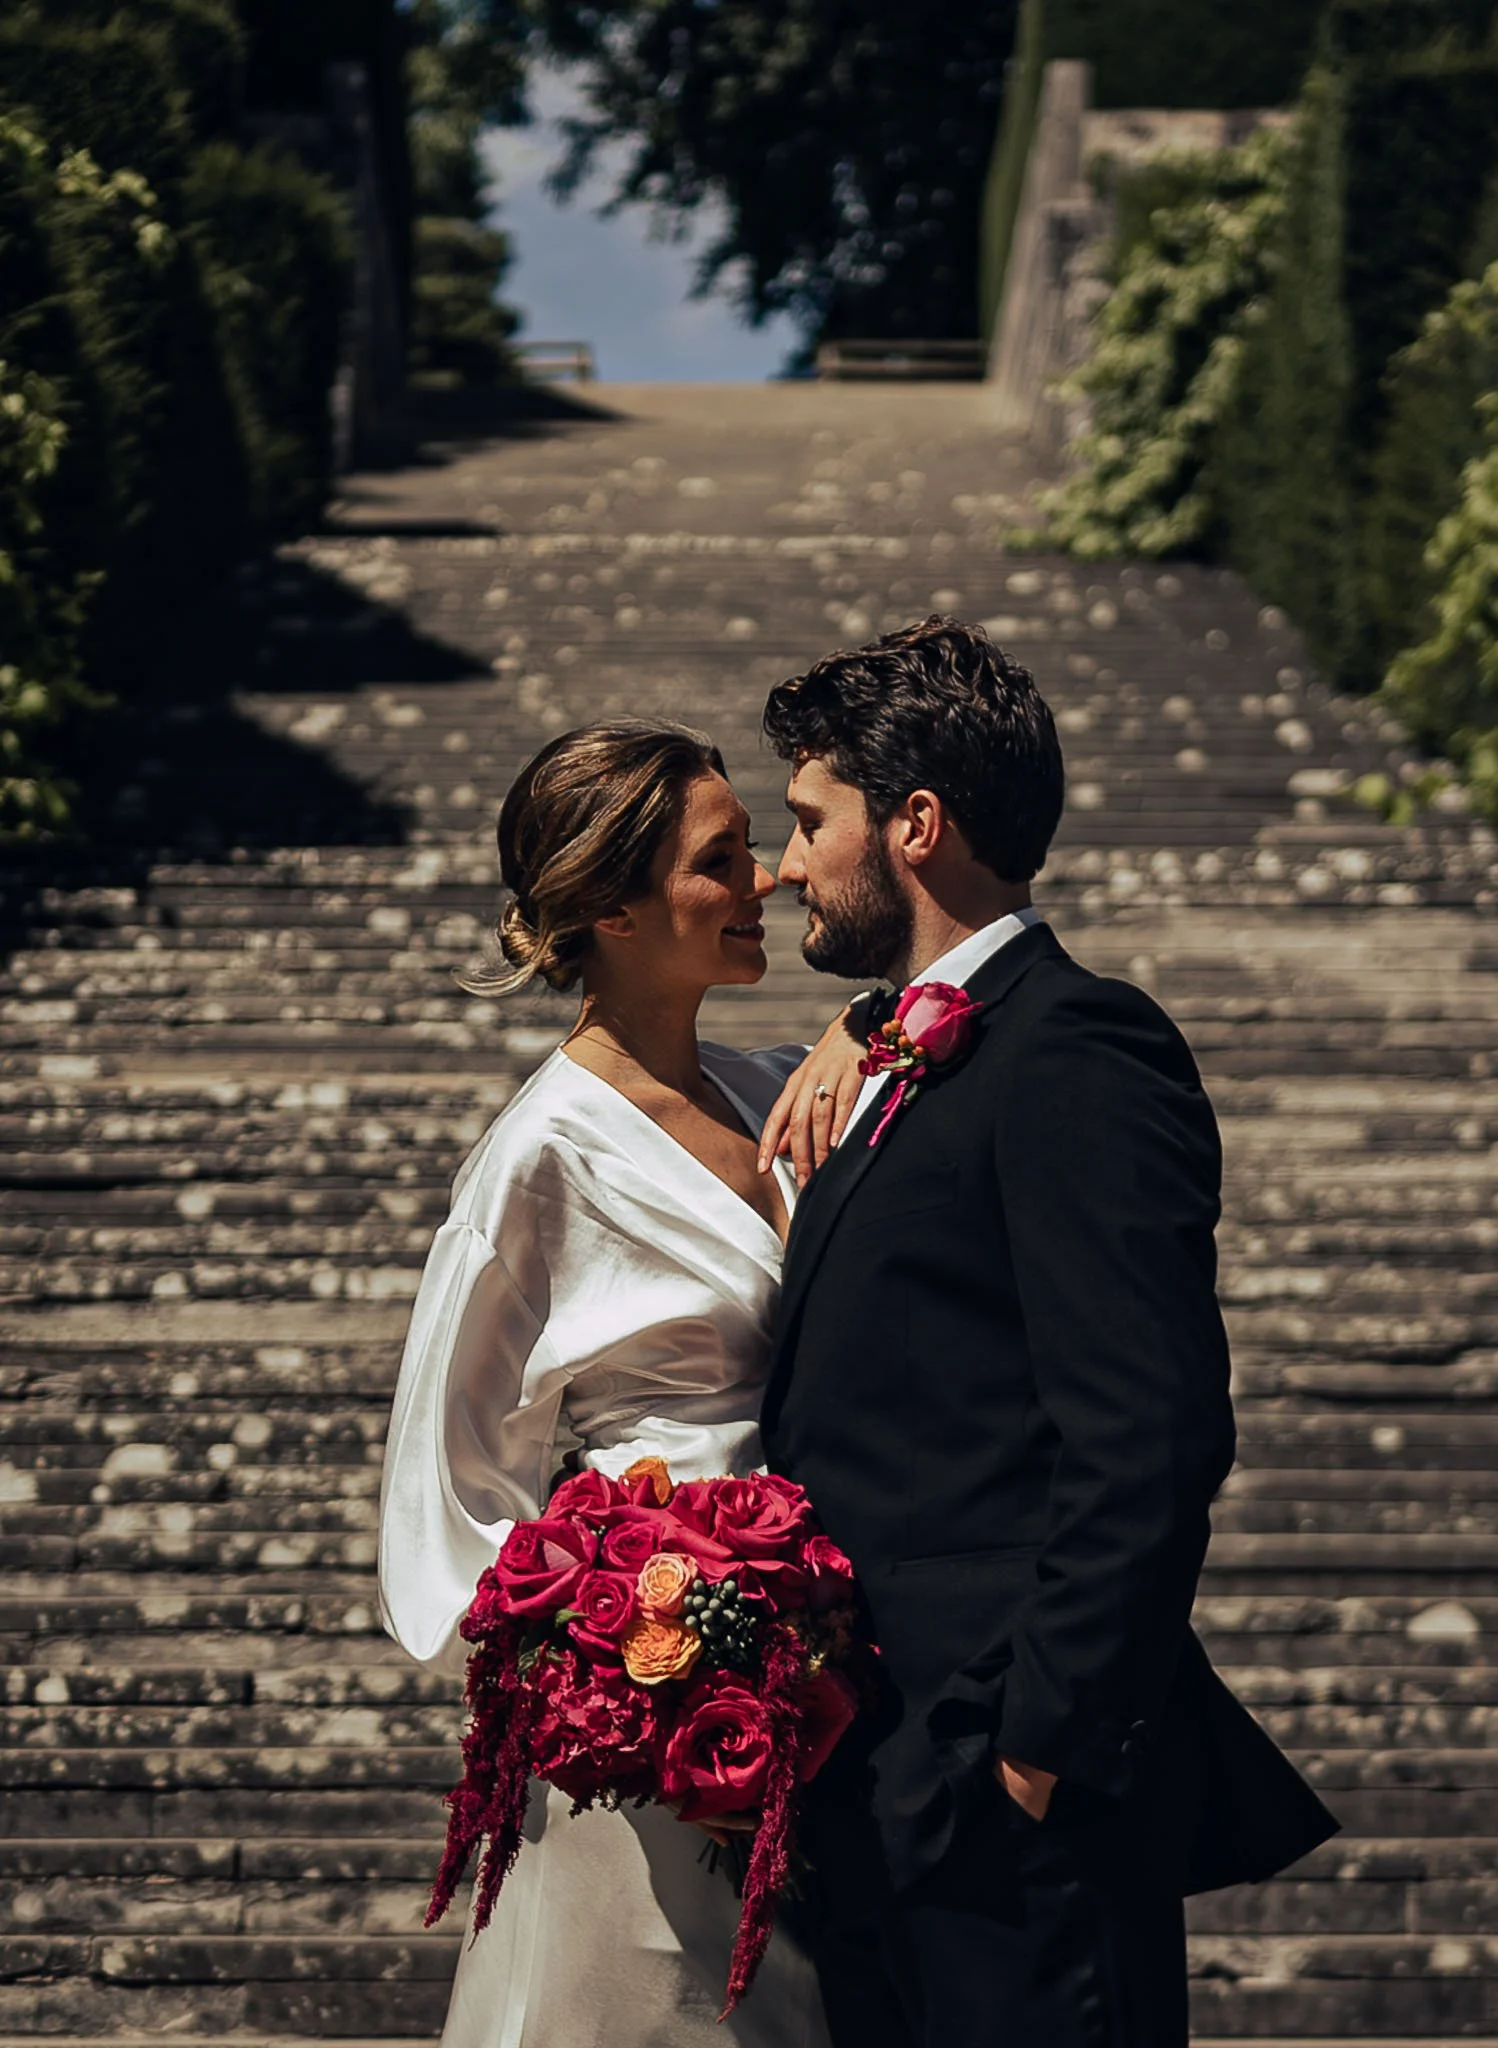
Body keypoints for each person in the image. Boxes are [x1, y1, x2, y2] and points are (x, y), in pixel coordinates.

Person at [755, 616, 1339, 2048]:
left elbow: (1148, 1430)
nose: (781, 867)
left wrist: (1031, 1755)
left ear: (916, 824)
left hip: (1001, 1803)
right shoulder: (902, 1049)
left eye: (807, 823)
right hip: (874, 1786)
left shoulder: (1077, 1045)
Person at [376, 719, 866, 2048]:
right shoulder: (538, 1156)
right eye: (723, 859)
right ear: (607, 906)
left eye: (760, 847)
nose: (762, 881)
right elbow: (456, 1474)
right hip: (659, 1706)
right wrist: (620, 1663)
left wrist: (865, 1020)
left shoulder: (779, 1089)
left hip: (823, 1667)